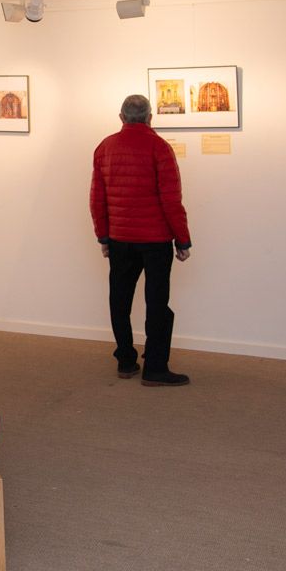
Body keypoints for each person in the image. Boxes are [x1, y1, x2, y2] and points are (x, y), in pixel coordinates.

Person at [89, 94, 193, 386]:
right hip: (156, 240)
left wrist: (103, 236)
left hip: (121, 238)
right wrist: (182, 240)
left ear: (121, 117)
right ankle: (155, 367)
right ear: (150, 118)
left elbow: (97, 198)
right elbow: (172, 200)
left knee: (119, 300)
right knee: (157, 302)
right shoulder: (159, 148)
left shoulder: (105, 147)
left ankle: (125, 359)